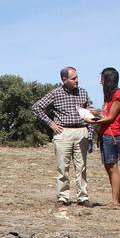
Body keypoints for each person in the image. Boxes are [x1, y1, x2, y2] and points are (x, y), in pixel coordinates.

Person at [31, 67, 95, 206]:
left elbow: (89, 114)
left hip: (81, 132)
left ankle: (83, 197)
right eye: (73, 78)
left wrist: (89, 135)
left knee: (82, 167)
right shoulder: (55, 93)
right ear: (64, 79)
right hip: (63, 133)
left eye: (77, 77)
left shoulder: (83, 92)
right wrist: (51, 124)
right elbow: (36, 107)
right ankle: (63, 197)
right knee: (62, 167)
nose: (77, 80)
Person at [91, 67, 120, 207]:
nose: (100, 81)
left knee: (113, 168)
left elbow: (111, 117)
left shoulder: (118, 95)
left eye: (102, 78)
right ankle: (117, 200)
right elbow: (107, 113)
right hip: (105, 134)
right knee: (109, 168)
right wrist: (96, 113)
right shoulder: (110, 95)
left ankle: (115, 202)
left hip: (111, 134)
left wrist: (92, 120)